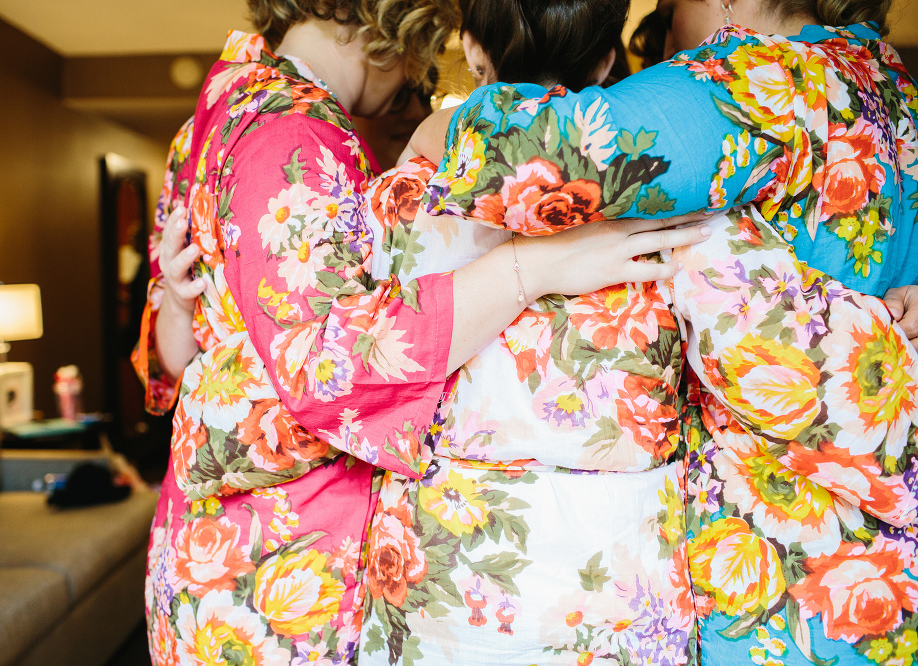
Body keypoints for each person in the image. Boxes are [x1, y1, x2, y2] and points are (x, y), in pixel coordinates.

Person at [131, 0, 709, 663]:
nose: (415, 81)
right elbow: (334, 368)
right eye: (417, 58)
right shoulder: (291, 132)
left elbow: (174, 359)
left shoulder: (217, 108)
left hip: (211, 545)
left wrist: (179, 310)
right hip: (278, 562)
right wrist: (537, 264)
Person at [406, 0, 918, 663]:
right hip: (884, 570)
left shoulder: (754, 82)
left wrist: (442, 125)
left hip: (779, 586)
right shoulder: (882, 77)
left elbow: (533, 154)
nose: (666, 22)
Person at [360, 0, 706, 664]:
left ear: (470, 46)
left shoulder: (410, 187)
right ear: (607, 59)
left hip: (448, 571)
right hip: (616, 567)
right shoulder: (667, 182)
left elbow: (368, 355)